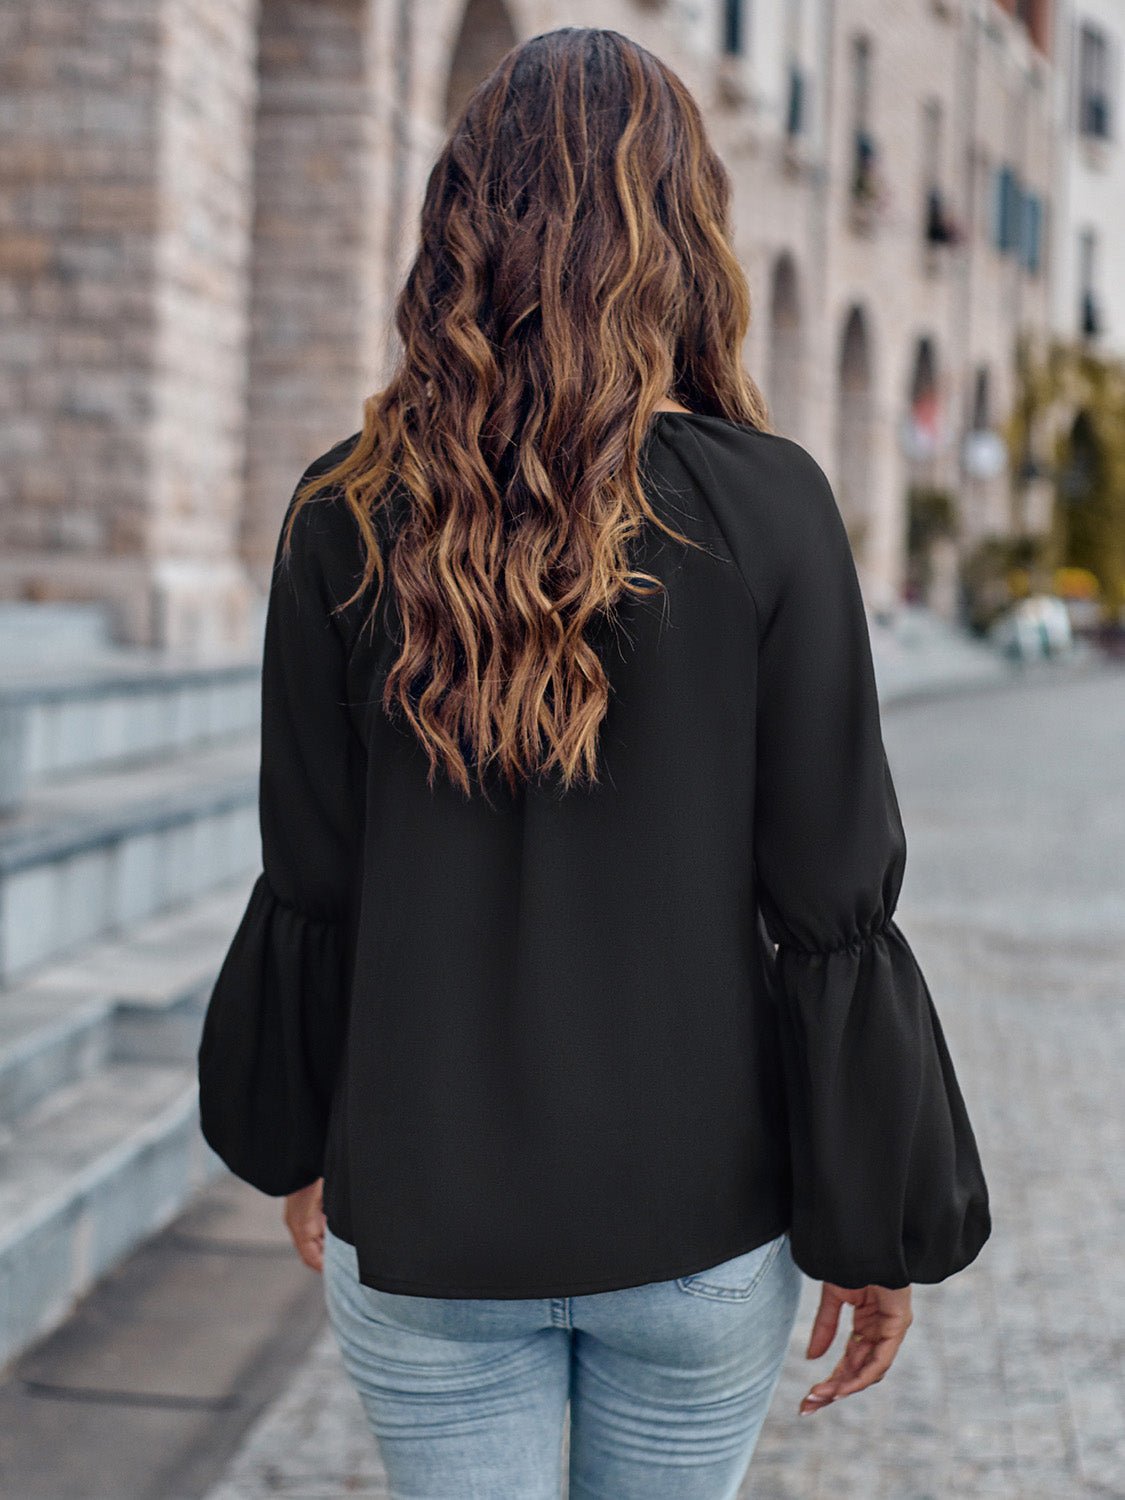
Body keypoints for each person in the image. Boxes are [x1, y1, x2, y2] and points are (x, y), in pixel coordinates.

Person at [197, 26, 991, 1500]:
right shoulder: (771, 508)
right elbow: (831, 897)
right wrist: (868, 1220)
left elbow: (311, 871)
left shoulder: (341, 510)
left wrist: (298, 1140)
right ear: (686, 232)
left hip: (424, 1209)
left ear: (457, 223)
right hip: (695, 1222)